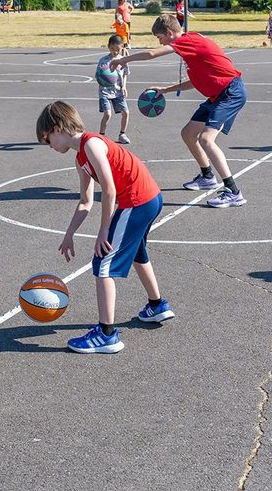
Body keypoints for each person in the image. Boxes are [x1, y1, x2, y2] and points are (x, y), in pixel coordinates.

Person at [36, 101, 173, 354]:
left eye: (47, 140)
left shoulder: (91, 144)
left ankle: (107, 335)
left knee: (103, 262)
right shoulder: (81, 157)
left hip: (137, 201)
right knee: (138, 254)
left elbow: (109, 189)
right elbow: (86, 201)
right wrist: (69, 235)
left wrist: (103, 231)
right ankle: (157, 306)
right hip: (149, 198)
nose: (49, 147)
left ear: (57, 129)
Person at [110, 14, 248, 208]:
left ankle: (233, 191)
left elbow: (151, 54)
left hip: (230, 93)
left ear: (169, 33)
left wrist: (123, 60)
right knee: (188, 133)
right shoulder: (191, 46)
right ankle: (207, 176)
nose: (159, 41)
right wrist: (165, 89)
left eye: (160, 38)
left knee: (206, 139)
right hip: (218, 95)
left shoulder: (186, 41)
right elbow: (195, 82)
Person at [97, 34, 131, 144]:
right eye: (112, 49)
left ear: (122, 48)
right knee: (108, 114)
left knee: (126, 112)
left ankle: (122, 134)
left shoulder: (123, 60)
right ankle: (101, 135)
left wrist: (124, 86)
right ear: (108, 47)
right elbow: (98, 75)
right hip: (105, 91)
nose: (115, 52)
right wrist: (102, 79)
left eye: (118, 49)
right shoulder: (103, 61)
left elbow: (125, 74)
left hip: (118, 91)